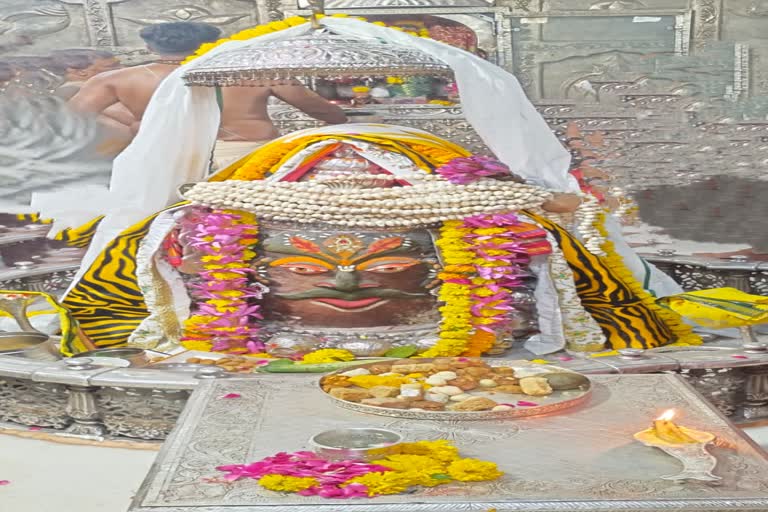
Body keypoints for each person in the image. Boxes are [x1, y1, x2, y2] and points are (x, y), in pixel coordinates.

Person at [68, 21, 348, 168]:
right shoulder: (259, 71)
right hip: (247, 156)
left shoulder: (116, 79)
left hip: (166, 156)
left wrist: (131, 125)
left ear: (151, 48)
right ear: (215, 44)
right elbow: (328, 114)